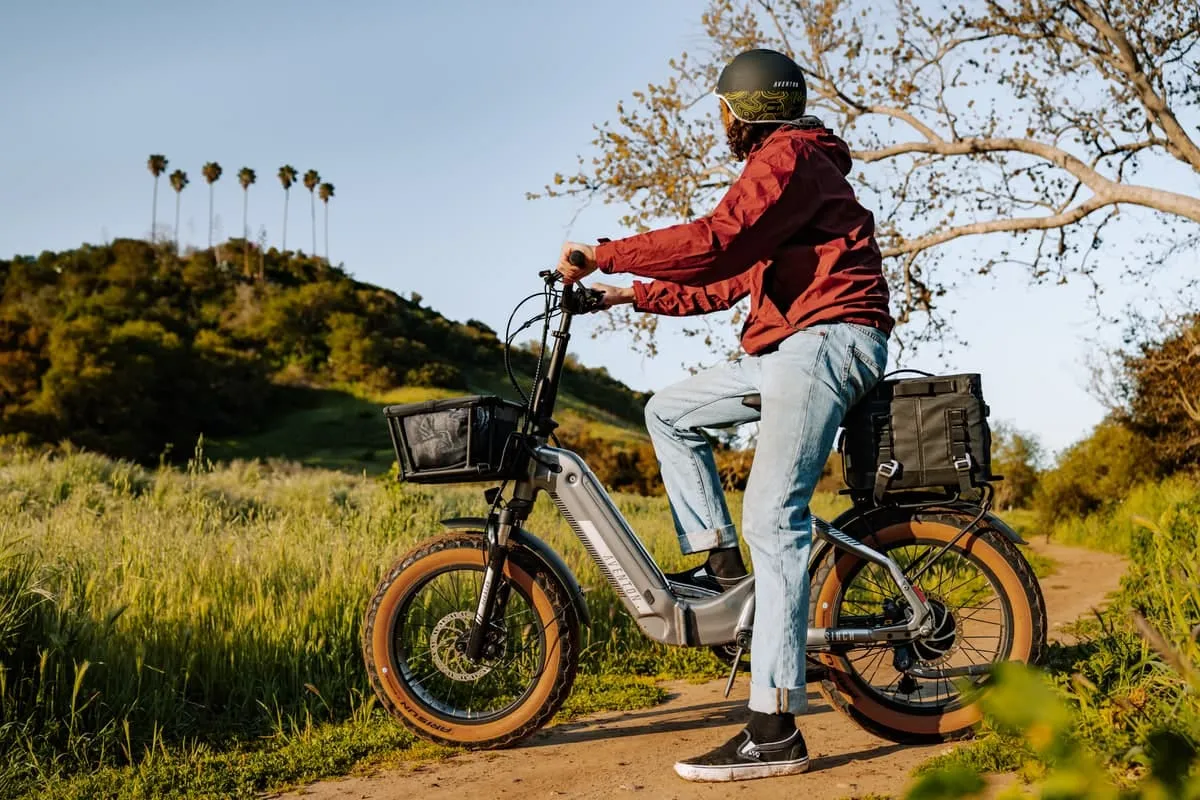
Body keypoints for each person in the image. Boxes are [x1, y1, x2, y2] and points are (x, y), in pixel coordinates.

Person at [556, 48, 894, 782]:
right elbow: (723, 278)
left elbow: (713, 241)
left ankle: (774, 729)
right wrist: (628, 296)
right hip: (792, 348)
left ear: (746, 109)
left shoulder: (790, 157)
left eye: (723, 110)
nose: (720, 122)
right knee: (669, 412)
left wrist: (607, 254)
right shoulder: (784, 176)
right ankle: (720, 570)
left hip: (827, 341)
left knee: (775, 517)